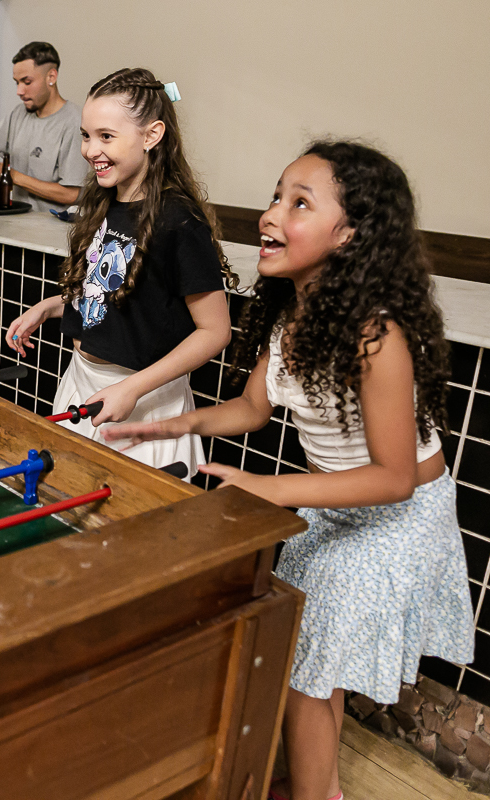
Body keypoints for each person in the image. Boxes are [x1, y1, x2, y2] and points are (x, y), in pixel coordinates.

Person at [104, 140, 475, 800]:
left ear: (351, 234)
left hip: (397, 515)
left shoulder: (375, 334)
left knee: (307, 674)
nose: (272, 214)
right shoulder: (290, 310)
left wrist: (269, 489)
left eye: (299, 203)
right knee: (303, 656)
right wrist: (168, 421)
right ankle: (316, 783)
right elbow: (252, 408)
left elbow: (394, 477)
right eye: (277, 195)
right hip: (336, 502)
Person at [5, 68, 234, 474]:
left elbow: (215, 332)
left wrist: (131, 388)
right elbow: (106, 291)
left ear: (152, 136)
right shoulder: (103, 201)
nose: (91, 149)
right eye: (86, 135)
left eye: (106, 136)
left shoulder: (179, 220)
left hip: (145, 403)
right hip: (81, 383)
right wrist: (48, 306)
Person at [0, 42, 88, 215]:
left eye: (27, 82)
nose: (19, 91)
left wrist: (11, 175)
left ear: (51, 77)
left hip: (53, 232)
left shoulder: (75, 122)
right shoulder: (18, 114)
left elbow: (72, 194)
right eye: (17, 82)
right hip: (13, 224)